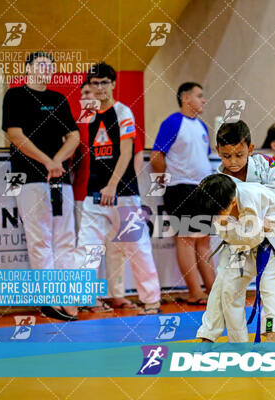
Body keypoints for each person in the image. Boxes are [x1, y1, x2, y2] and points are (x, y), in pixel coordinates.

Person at [196, 121, 275, 341]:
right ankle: (213, 336)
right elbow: (224, 218)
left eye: (239, 155)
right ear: (218, 152)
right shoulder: (219, 182)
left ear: (250, 150)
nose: (232, 162)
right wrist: (239, 223)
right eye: (226, 156)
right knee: (225, 285)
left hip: (274, 234)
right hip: (241, 241)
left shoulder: (264, 164)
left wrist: (253, 197)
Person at [75, 62, 161, 315]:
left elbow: (127, 153)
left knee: (137, 248)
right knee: (88, 248)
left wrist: (112, 186)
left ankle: (151, 300)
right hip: (94, 194)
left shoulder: (123, 112)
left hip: (122, 194)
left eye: (104, 83)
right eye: (94, 83)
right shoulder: (89, 115)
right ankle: (84, 299)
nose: (99, 88)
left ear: (113, 84)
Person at [2, 51, 79, 321]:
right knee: (40, 240)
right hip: (29, 178)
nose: (46, 69)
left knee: (66, 240)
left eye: (50, 65)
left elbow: (74, 136)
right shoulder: (15, 96)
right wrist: (46, 161)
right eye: (40, 64)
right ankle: (50, 300)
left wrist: (57, 161)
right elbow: (15, 134)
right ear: (28, 68)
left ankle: (69, 300)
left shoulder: (57, 99)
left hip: (60, 180)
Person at [150, 82, 215, 305]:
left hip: (202, 188)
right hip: (180, 187)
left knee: (204, 240)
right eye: (199, 96)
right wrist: (167, 178)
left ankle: (213, 291)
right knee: (186, 239)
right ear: (185, 98)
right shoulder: (172, 123)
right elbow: (157, 156)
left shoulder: (203, 127)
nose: (203, 100)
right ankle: (195, 292)